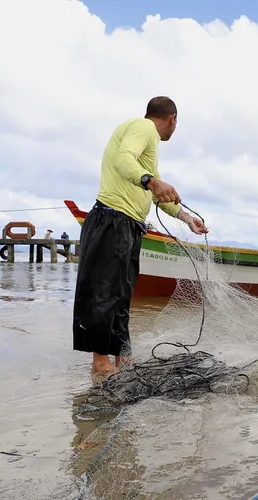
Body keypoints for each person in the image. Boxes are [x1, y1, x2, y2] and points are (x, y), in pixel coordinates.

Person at [72, 96, 209, 382]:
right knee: (103, 291)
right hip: (111, 217)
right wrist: (151, 180)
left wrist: (186, 217)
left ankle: (123, 356)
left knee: (122, 295)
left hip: (129, 225)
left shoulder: (151, 149)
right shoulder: (142, 127)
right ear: (172, 118)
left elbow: (156, 193)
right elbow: (124, 160)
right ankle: (100, 362)